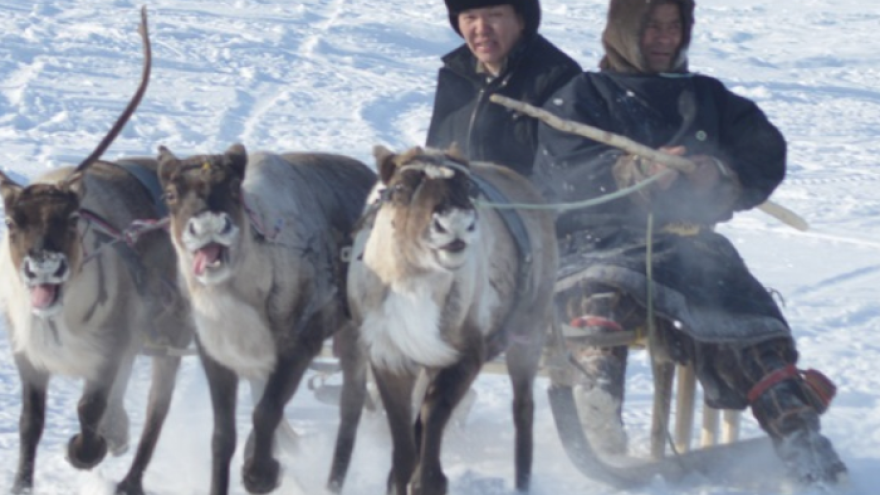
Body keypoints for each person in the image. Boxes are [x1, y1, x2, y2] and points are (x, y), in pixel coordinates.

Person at [533, 0, 847, 486]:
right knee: (601, 290)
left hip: (690, 244)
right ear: (622, 31)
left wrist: (720, 175)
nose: (663, 38)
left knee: (747, 322)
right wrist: (633, 172)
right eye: (650, 27)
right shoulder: (584, 95)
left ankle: (797, 432)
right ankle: (596, 391)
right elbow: (559, 172)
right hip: (603, 238)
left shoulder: (707, 96)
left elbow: (765, 149)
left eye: (673, 26)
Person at [426, 0, 582, 177]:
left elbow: (568, 176)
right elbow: (435, 156)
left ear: (521, 20)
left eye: (495, 15)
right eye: (470, 17)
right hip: (461, 201)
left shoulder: (558, 78)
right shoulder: (455, 75)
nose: (481, 29)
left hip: (526, 202)